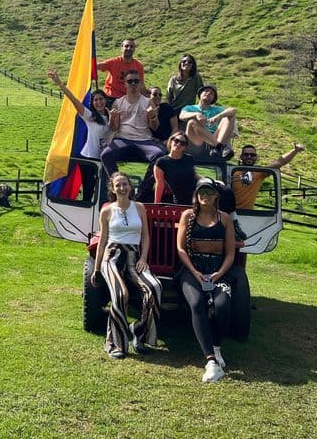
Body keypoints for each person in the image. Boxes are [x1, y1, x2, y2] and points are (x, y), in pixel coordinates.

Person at [91, 172, 162, 359]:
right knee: (121, 293)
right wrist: (97, 269)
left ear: (130, 187)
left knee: (154, 287)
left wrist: (144, 258)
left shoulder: (139, 207)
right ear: (113, 189)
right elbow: (103, 240)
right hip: (112, 256)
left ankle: (139, 331)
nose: (122, 188)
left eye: (125, 184)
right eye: (118, 185)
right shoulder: (107, 211)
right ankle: (116, 343)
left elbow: (146, 235)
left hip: (135, 256)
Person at [176, 178, 235, 383]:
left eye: (209, 192)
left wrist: (219, 273)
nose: (205, 196)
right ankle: (210, 361)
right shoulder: (188, 216)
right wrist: (194, 271)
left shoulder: (225, 219)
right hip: (191, 271)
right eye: (201, 192)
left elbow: (230, 252)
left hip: (218, 270)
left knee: (222, 304)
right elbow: (181, 248)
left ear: (216, 195)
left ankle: (217, 347)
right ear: (196, 195)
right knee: (196, 303)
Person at [47, 69, 112, 201]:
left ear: (105, 100)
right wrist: (60, 83)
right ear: (92, 103)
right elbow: (74, 100)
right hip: (89, 158)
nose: (99, 102)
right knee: (88, 189)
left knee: (105, 190)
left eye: (101, 99)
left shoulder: (112, 116)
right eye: (96, 100)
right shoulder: (90, 116)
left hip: (104, 159)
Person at [100, 71, 165, 175]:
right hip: (123, 138)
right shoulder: (118, 103)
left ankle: (144, 189)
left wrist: (152, 117)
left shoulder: (148, 102)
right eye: (130, 81)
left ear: (140, 83)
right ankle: (117, 182)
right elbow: (114, 128)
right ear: (125, 84)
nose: (133, 84)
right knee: (105, 155)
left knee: (160, 155)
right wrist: (112, 119)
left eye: (136, 81)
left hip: (144, 139)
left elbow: (155, 127)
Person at [232, 143, 306, 209]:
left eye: (252, 155)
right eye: (246, 154)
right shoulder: (232, 172)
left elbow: (280, 162)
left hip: (248, 214)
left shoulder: (259, 173)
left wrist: (294, 151)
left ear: (256, 157)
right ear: (240, 156)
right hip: (229, 212)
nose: (249, 157)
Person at [179, 84, 237, 160]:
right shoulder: (190, 108)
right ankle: (219, 147)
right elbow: (182, 116)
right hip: (196, 141)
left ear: (214, 98)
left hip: (214, 138)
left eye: (212, 93)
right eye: (206, 91)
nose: (208, 93)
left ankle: (216, 147)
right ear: (200, 94)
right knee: (192, 121)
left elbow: (233, 110)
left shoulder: (217, 110)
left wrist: (218, 116)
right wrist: (196, 114)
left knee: (229, 117)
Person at [153, 131, 197, 204]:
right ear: (171, 142)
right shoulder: (161, 162)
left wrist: (208, 180)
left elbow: (195, 175)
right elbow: (160, 185)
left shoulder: (189, 158)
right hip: (179, 200)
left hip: (196, 197)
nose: (179, 144)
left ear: (185, 147)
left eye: (182, 143)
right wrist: (156, 204)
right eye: (176, 141)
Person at [96, 38, 145, 103]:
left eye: (131, 46)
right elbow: (98, 66)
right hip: (111, 97)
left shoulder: (138, 65)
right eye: (126, 46)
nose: (129, 48)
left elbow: (141, 84)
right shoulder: (114, 62)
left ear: (134, 49)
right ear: (121, 48)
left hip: (129, 99)